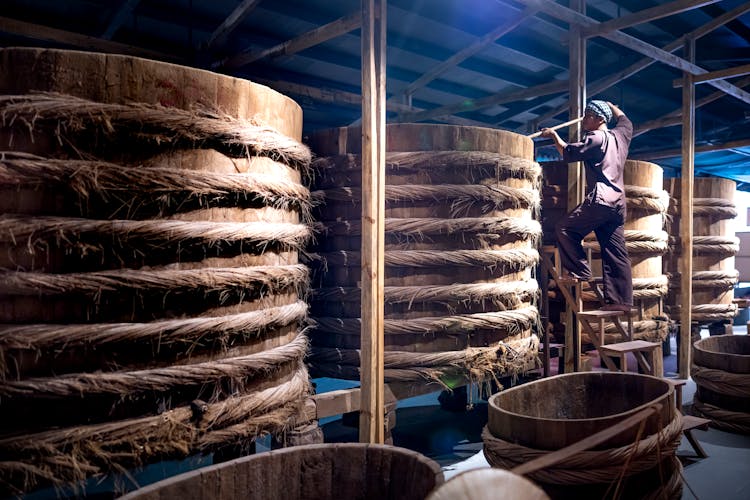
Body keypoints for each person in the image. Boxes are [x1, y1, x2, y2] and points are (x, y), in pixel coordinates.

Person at [540, 100, 633, 312]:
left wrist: (554, 136)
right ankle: (621, 301)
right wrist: (611, 105)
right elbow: (625, 119)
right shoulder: (621, 136)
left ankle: (579, 271)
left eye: (589, 115)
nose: (584, 119)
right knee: (615, 251)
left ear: (600, 119)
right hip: (618, 204)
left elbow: (568, 152)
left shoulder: (596, 138)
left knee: (565, 228)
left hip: (601, 201)